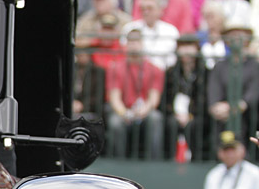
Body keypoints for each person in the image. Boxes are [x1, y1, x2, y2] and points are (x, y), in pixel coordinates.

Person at [105, 28, 166, 158]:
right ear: (126, 45)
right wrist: (124, 113)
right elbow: (114, 98)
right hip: (124, 111)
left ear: (143, 43)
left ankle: (153, 162)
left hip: (144, 112)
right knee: (115, 122)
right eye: (130, 42)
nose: (134, 45)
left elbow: (154, 99)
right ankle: (118, 162)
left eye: (137, 41)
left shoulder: (155, 69)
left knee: (155, 118)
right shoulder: (116, 68)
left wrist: (143, 111)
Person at [164, 33, 210, 159]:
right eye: (182, 46)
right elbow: (165, 100)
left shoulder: (206, 73)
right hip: (174, 116)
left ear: (197, 49)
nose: (186, 50)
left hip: (197, 116)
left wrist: (190, 114)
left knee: (195, 126)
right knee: (170, 124)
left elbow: (205, 100)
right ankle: (169, 160)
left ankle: (197, 159)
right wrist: (175, 114)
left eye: (190, 46)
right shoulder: (171, 73)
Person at [122, 0, 179, 69]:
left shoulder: (171, 30)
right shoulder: (130, 28)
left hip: (165, 74)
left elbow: (171, 58)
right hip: (137, 73)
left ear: (160, 10)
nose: (146, 12)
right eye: (143, 9)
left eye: (150, 8)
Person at [74, 35, 109, 121]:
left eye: (84, 50)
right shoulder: (71, 69)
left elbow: (99, 97)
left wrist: (82, 105)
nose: (81, 54)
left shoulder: (98, 71)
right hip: (71, 110)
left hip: (91, 112)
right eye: (78, 50)